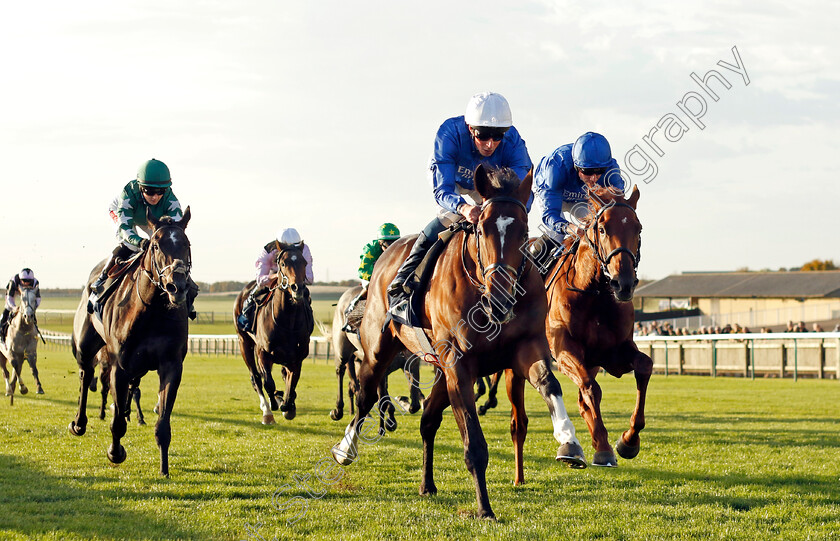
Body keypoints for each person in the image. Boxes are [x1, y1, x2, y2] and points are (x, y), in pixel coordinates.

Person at [386, 91, 532, 303]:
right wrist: (463, 208)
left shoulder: (513, 141)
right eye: (483, 136)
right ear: (471, 129)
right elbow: (442, 190)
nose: (490, 144)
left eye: (497, 136)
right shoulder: (449, 133)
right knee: (449, 219)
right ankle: (404, 277)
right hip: (451, 178)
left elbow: (521, 192)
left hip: (488, 182)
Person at [88, 159, 197, 318]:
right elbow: (125, 229)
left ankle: (188, 289)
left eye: (160, 192)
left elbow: (175, 230)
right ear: (140, 188)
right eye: (150, 191)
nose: (155, 197)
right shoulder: (128, 195)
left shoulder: (171, 200)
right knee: (129, 245)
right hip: (126, 215)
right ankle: (101, 280)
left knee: (166, 245)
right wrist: (140, 242)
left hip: (152, 219)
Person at [531, 132, 626, 271]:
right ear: (576, 167)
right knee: (556, 234)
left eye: (600, 171)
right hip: (552, 192)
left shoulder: (611, 170)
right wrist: (570, 227)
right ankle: (527, 273)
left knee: (597, 227)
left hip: (581, 198)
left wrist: (612, 196)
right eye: (588, 172)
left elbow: (619, 205)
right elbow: (550, 215)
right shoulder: (556, 168)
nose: (594, 178)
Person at [237, 228, 313, 333]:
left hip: (294, 280)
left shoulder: (304, 249)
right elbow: (260, 279)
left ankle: (308, 325)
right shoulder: (268, 250)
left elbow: (309, 278)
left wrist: (293, 277)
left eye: (295, 247)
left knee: (306, 296)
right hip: (272, 277)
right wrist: (277, 276)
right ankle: (246, 315)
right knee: (254, 294)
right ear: (279, 246)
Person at [342, 223, 401, 332]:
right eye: (388, 244)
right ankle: (353, 308)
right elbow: (362, 270)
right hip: (370, 275)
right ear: (380, 242)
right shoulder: (370, 250)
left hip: (390, 277)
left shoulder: (400, 249)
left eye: (394, 243)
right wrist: (377, 280)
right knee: (369, 286)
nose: (391, 248)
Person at [1, 268, 41, 342]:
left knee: (30, 311)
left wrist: (32, 309)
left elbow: (38, 299)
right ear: (20, 279)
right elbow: (10, 298)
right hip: (14, 293)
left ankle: (34, 333)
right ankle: (1, 332)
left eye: (29, 281)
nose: (26, 283)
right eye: (24, 281)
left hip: (28, 294)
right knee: (7, 310)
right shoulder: (14, 281)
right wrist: (14, 307)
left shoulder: (35, 283)